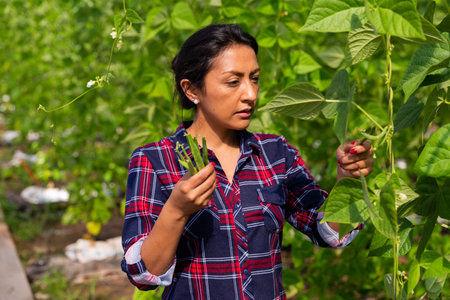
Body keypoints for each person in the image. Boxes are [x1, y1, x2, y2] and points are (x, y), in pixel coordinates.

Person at [121, 24, 373, 299]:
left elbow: (327, 232)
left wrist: (347, 179)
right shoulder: (155, 161)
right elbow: (144, 274)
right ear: (191, 89)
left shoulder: (275, 153)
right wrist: (177, 210)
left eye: (254, 78)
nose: (250, 94)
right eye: (233, 81)